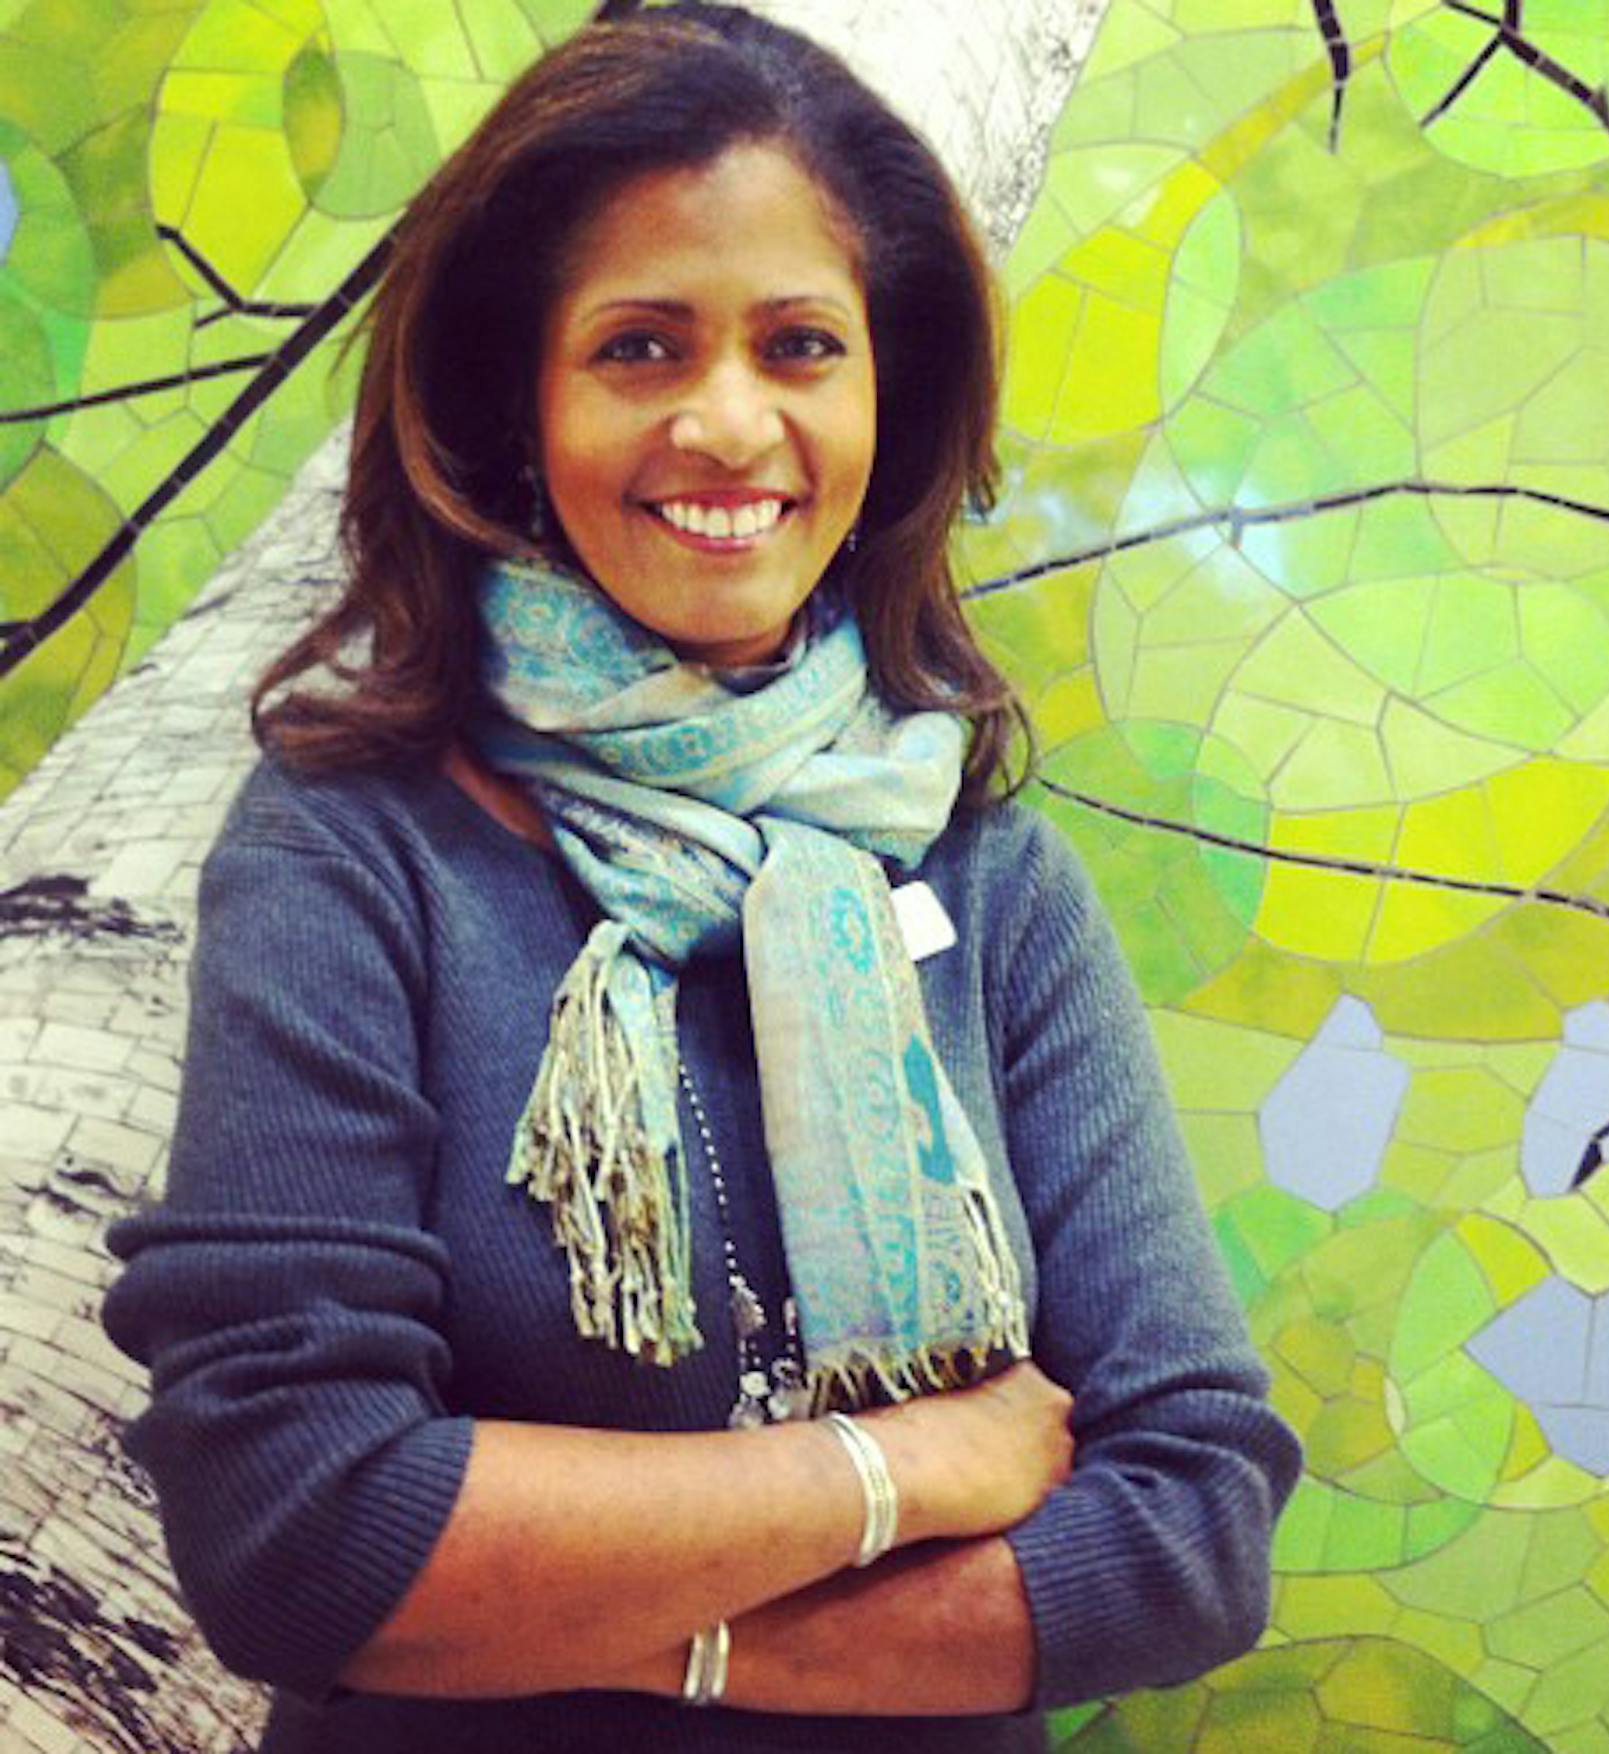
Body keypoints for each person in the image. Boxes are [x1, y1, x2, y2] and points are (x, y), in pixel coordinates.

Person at [98, 6, 1301, 1751]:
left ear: (890, 400)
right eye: (643, 347)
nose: (732, 424)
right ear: (519, 401)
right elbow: (300, 1526)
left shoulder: (992, 871)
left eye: (803, 344)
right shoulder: (351, 847)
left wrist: (584, 1617)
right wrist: (899, 1468)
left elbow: (1190, 1529)